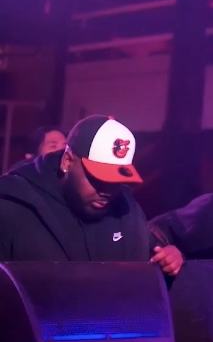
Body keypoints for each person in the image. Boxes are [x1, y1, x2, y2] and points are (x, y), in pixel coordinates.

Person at [0, 115, 183, 276]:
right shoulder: (13, 205)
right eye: (97, 179)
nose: (107, 191)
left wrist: (169, 260)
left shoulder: (127, 207)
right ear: (67, 161)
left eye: (115, 181)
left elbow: (152, 259)